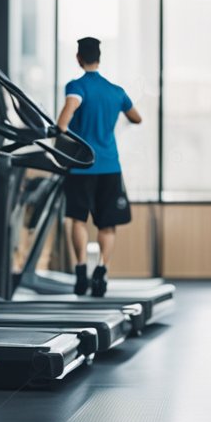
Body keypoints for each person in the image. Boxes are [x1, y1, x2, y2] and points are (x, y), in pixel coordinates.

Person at [56, 36, 142, 296]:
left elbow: (63, 121)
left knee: (78, 220)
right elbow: (137, 118)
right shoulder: (116, 91)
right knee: (107, 224)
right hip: (109, 166)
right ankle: (102, 270)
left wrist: (62, 130)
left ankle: (81, 270)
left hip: (81, 165)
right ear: (99, 58)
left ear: (79, 58)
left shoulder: (76, 86)